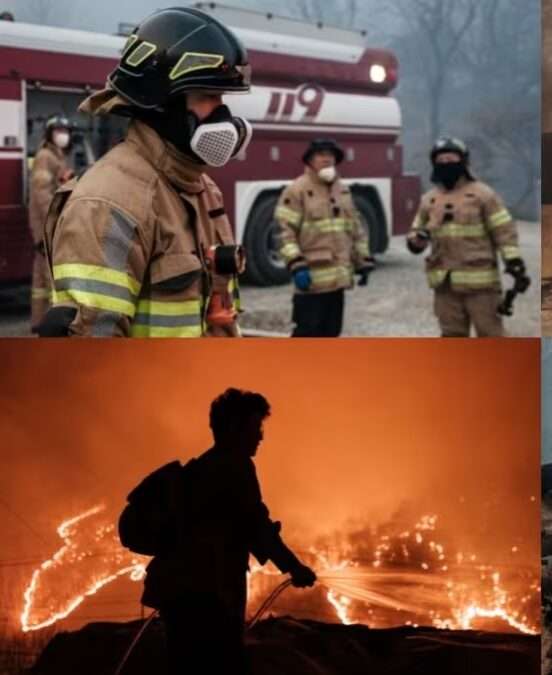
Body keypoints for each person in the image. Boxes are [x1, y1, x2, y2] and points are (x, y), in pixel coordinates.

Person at [39, 6, 251, 337]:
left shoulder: (201, 187)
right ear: (161, 102)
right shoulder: (108, 204)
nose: (222, 112)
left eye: (223, 96)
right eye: (208, 95)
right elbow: (93, 362)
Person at [141, 388, 316, 675]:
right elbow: (257, 524)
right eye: (256, 427)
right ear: (235, 428)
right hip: (210, 597)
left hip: (179, 595)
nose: (260, 436)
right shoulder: (234, 467)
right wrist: (295, 568)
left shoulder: (201, 469)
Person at [406, 136, 527, 337]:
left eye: (451, 159)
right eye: (441, 160)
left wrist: (513, 260)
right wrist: (416, 241)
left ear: (464, 161)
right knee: (452, 339)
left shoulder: (483, 195)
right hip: (445, 286)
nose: (446, 164)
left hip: (481, 287)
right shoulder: (429, 199)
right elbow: (415, 232)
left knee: (491, 336)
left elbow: (503, 229)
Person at [275, 138, 373, 337]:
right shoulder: (297, 190)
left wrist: (363, 261)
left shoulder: (342, 190)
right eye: (320, 155)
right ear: (309, 160)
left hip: (337, 284)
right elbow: (284, 232)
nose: (326, 159)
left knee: (331, 335)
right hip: (310, 284)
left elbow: (355, 228)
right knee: (306, 338)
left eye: (331, 155)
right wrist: (296, 264)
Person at [27, 114, 74, 331]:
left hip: (44, 225)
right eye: (58, 131)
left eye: (65, 131)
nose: (63, 135)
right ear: (49, 133)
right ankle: (51, 325)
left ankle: (39, 322)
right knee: (50, 277)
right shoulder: (46, 156)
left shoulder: (56, 156)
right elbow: (42, 195)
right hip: (48, 225)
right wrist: (50, 226)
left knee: (40, 279)